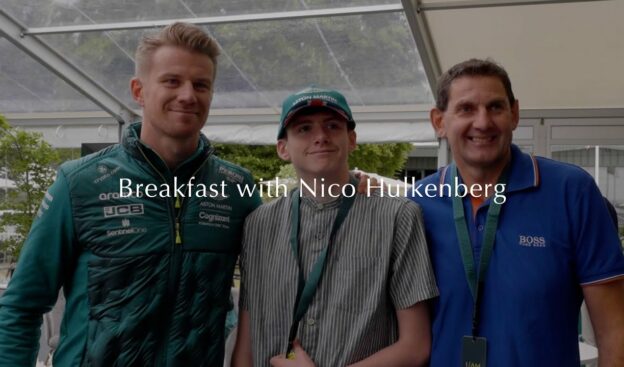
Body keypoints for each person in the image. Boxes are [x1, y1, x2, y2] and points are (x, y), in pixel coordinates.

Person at [0, 22, 261, 366]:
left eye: (201, 85)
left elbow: (268, 298)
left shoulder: (237, 190)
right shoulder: (80, 182)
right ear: (138, 90)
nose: (188, 95)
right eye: (171, 81)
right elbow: (22, 304)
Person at [409, 58, 624, 366]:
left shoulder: (571, 191)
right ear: (439, 121)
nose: (483, 122)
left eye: (495, 107)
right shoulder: (417, 203)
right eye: (466, 109)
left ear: (515, 114)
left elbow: (615, 330)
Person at [232, 87, 438, 367]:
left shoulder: (398, 217)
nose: (320, 137)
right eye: (304, 129)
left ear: (351, 139)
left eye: (332, 126)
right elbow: (246, 340)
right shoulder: (258, 225)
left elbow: (416, 346)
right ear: (283, 148)